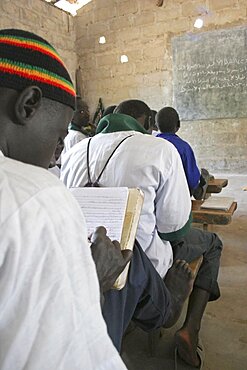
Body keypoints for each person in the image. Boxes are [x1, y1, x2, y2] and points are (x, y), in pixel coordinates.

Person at [0, 29, 194, 369]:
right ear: (28, 104)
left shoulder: (74, 157)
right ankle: (167, 309)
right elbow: (68, 354)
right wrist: (94, 280)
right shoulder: (35, 193)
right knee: (130, 259)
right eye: (59, 137)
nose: (54, 158)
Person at [61, 99, 223, 368]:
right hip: (143, 266)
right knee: (212, 243)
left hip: (89, 263)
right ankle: (189, 328)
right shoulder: (160, 149)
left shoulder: (76, 150)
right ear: (148, 122)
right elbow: (174, 227)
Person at [156, 106, 210, 199]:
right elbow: (192, 179)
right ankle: (199, 190)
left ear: (156, 125)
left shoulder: (152, 143)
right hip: (178, 195)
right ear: (178, 125)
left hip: (156, 192)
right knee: (199, 176)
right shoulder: (184, 147)